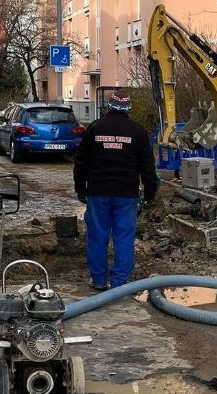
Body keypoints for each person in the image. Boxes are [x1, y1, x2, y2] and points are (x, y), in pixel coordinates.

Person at [74, 90, 158, 290]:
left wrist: (80, 189)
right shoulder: (138, 132)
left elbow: (81, 162)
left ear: (109, 106)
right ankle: (120, 283)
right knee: (124, 238)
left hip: (98, 191)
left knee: (97, 236)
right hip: (126, 194)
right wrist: (150, 192)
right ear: (128, 108)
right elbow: (148, 166)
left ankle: (99, 280)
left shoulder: (95, 128)